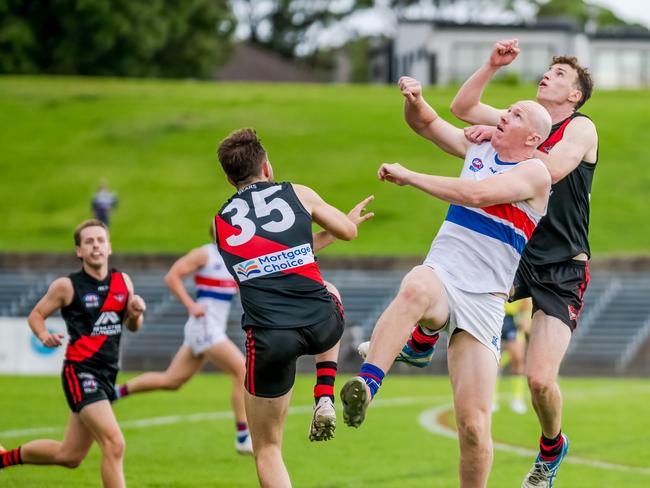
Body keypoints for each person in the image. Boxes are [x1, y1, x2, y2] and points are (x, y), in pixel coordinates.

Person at [342, 77, 552, 488]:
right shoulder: (481, 146)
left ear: (532, 139)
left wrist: (410, 176)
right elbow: (426, 124)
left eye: (515, 114)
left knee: (473, 428)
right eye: (506, 110)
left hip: (485, 302)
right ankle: (366, 387)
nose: (503, 115)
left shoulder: (535, 173)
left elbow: (476, 195)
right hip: (443, 275)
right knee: (416, 286)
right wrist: (415, 99)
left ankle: (420, 343)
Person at [449, 39, 598, 487]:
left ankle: (552, 447)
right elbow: (462, 106)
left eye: (560, 75)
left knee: (538, 380)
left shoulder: (580, 127)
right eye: (548, 70)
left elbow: (550, 171)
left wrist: (505, 138)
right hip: (517, 250)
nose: (547, 76)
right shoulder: (522, 120)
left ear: (573, 95)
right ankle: (419, 335)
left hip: (562, 266)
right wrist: (491, 66)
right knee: (451, 280)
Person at [214, 128, 371, 487]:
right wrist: (346, 223)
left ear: (228, 178)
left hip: (269, 339)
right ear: (267, 167)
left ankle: (323, 397)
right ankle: (324, 393)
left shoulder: (220, 222)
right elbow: (348, 232)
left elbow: (260, 265)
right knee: (327, 288)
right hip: (320, 322)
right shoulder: (296, 192)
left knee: (267, 448)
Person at [0, 219, 146, 488]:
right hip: (81, 371)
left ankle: (3, 458)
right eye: (89, 242)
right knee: (114, 443)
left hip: (107, 373)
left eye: (100, 240)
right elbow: (36, 315)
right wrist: (44, 335)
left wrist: (136, 314)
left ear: (109, 247)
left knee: (70, 456)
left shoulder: (122, 281)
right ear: (79, 251)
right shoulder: (66, 286)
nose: (96, 246)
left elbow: (132, 327)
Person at [113, 239, 253, 454]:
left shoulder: (234, 260)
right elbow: (172, 276)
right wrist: (190, 305)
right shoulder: (206, 254)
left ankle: (115, 393)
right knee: (242, 371)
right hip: (205, 328)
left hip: (207, 330)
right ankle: (243, 436)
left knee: (171, 381)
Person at [494, 298, 532, 414]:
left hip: (514, 320)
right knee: (493, 361)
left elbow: (526, 303)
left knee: (517, 359)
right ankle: (491, 399)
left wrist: (524, 319)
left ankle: (517, 399)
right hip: (497, 316)